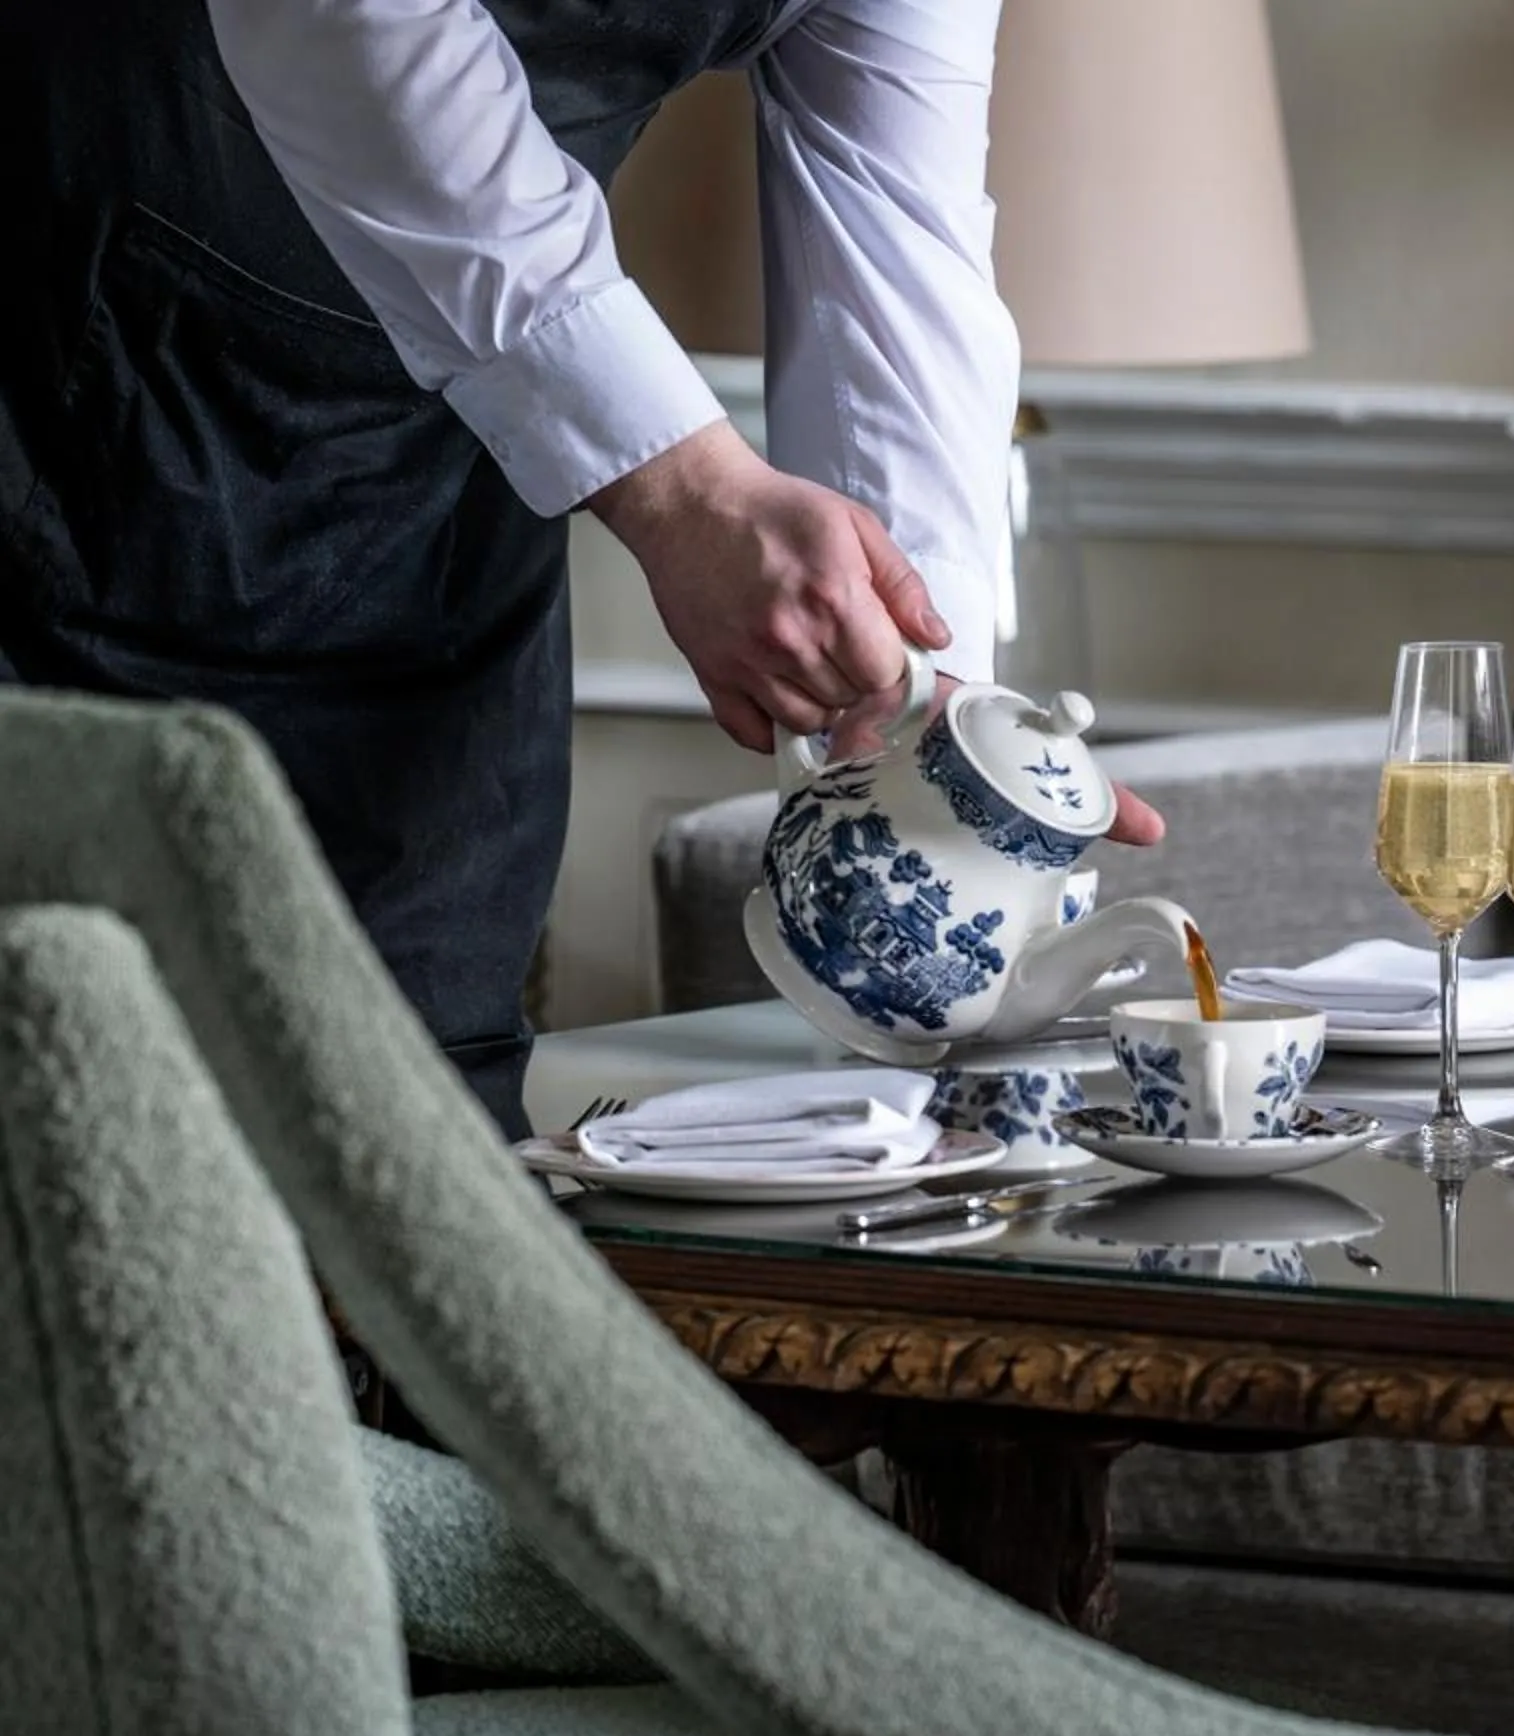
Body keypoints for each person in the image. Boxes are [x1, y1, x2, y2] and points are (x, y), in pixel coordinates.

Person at [0, 0, 1159, 1139]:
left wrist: (924, 690)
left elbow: (895, 203)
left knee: (421, 1120)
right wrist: (687, 491)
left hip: (458, 443)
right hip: (87, 363)